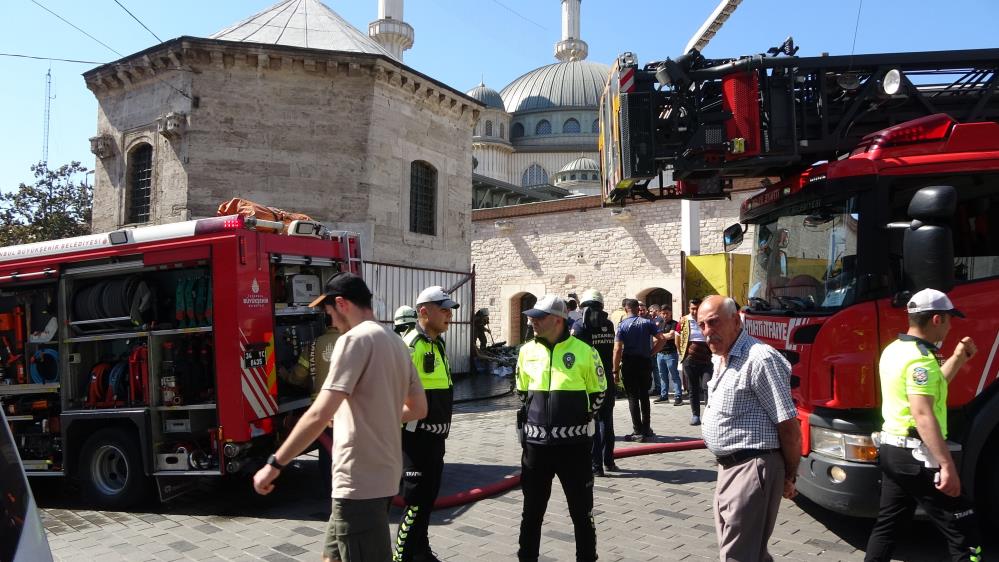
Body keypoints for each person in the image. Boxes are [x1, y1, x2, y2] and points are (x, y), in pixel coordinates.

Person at [252, 273, 427, 562]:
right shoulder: (396, 342)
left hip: (358, 485)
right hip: (381, 478)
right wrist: (373, 414)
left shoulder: (353, 341)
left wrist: (274, 464)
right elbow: (418, 408)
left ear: (342, 303)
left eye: (330, 313)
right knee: (331, 558)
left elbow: (319, 413)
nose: (331, 322)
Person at [864, 289, 982, 562]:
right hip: (917, 456)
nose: (952, 325)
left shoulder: (895, 349)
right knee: (964, 532)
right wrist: (947, 465)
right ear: (937, 319)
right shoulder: (921, 359)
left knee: (888, 527)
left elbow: (929, 389)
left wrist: (958, 358)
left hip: (893, 451)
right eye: (950, 319)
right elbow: (922, 412)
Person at [698, 295, 801, 562]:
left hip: (752, 467)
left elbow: (788, 424)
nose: (708, 332)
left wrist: (790, 475)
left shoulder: (759, 358)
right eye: (702, 325)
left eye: (714, 323)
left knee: (738, 554)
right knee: (749, 552)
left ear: (736, 319)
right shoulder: (722, 358)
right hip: (728, 467)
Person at [516, 294, 607, 562]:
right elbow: (522, 391)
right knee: (531, 512)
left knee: (582, 513)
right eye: (530, 316)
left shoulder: (585, 352)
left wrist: (574, 421)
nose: (532, 321)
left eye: (538, 317)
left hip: (574, 449)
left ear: (557, 320)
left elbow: (599, 393)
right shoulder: (526, 351)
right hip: (535, 450)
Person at [394, 286, 459, 562]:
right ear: (424, 311)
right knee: (415, 503)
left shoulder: (437, 343)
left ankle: (420, 551)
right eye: (443, 310)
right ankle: (402, 557)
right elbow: (393, 395)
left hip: (435, 439)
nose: (449, 316)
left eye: (450, 310)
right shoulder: (412, 345)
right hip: (415, 439)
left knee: (427, 500)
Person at [570, 289, 620, 477]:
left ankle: (596, 466)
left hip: (589, 382)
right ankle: (609, 461)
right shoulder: (608, 324)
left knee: (593, 421)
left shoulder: (579, 326)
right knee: (607, 422)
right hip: (606, 378)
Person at [612, 299, 667, 442]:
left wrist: (615, 371)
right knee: (644, 396)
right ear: (638, 309)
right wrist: (651, 352)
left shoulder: (622, 325)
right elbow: (662, 339)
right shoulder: (647, 323)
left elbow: (617, 349)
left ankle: (637, 431)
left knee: (632, 397)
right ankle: (647, 429)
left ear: (626, 310)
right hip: (644, 362)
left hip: (630, 362)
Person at [677, 298, 712, 425]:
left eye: (697, 308)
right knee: (693, 388)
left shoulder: (707, 319)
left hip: (707, 358)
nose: (695, 311)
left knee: (707, 386)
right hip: (690, 359)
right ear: (689, 308)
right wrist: (683, 353)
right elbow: (678, 336)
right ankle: (695, 415)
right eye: (692, 308)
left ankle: (709, 415)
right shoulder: (684, 320)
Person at [654, 307, 681, 405]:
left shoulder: (675, 323)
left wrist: (659, 337)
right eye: (663, 313)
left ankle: (678, 396)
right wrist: (661, 337)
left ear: (670, 313)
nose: (665, 315)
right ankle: (664, 396)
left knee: (674, 375)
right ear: (660, 314)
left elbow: (671, 335)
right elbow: (653, 338)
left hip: (671, 353)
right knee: (662, 376)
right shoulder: (659, 324)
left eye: (667, 313)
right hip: (660, 354)